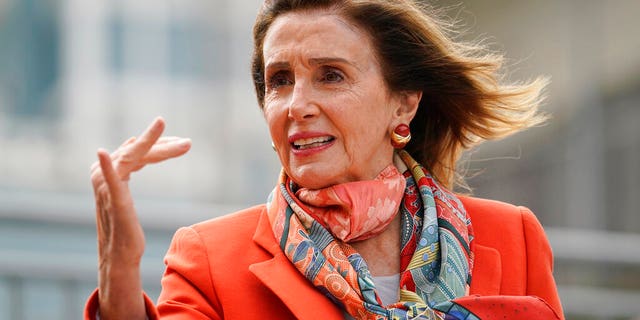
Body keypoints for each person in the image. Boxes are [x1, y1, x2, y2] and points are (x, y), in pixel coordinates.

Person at [85, 0, 564, 319]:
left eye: (331, 76)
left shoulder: (513, 235)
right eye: (279, 81)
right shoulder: (209, 258)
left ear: (403, 103)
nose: (297, 105)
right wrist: (120, 274)